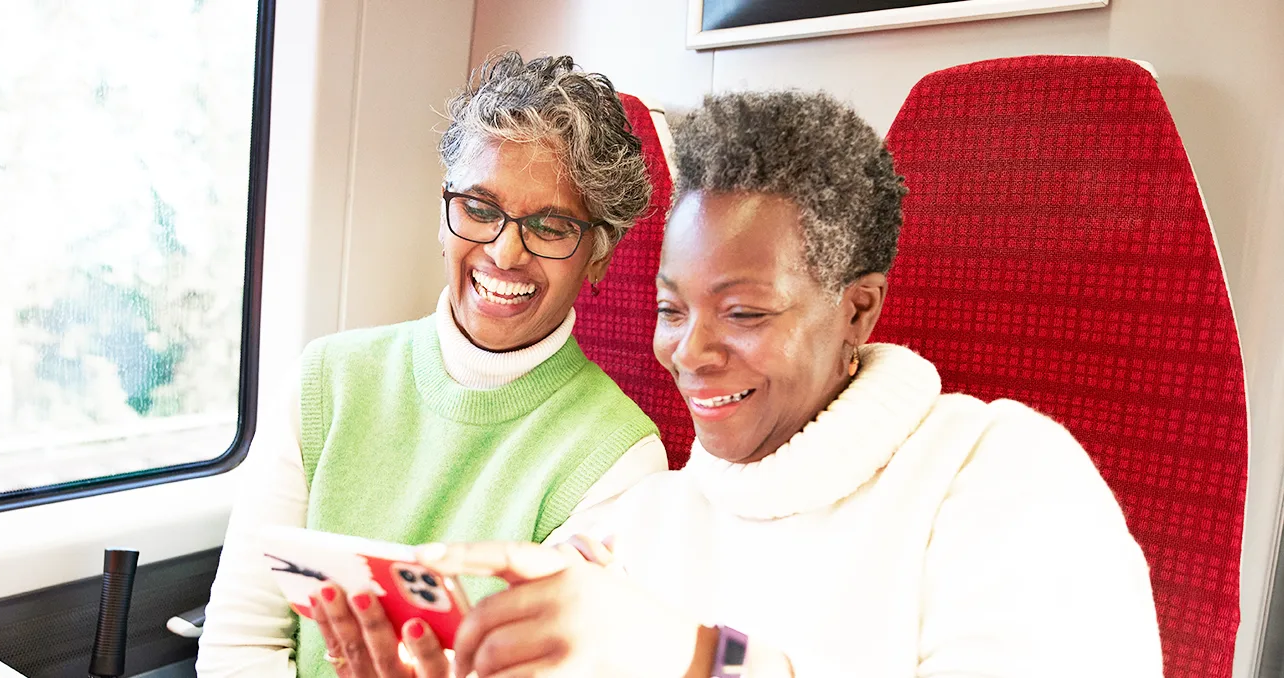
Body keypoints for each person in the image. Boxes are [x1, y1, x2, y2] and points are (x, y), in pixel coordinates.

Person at [333, 89, 1166, 677]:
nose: (690, 352)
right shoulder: (647, 524)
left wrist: (699, 661)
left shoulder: (999, 475)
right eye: (670, 308)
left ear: (859, 311)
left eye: (745, 313)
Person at [195, 52, 669, 678]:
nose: (504, 250)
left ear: (600, 256)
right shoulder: (327, 382)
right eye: (479, 208)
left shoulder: (619, 457)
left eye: (551, 226)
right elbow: (239, 643)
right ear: (444, 215)